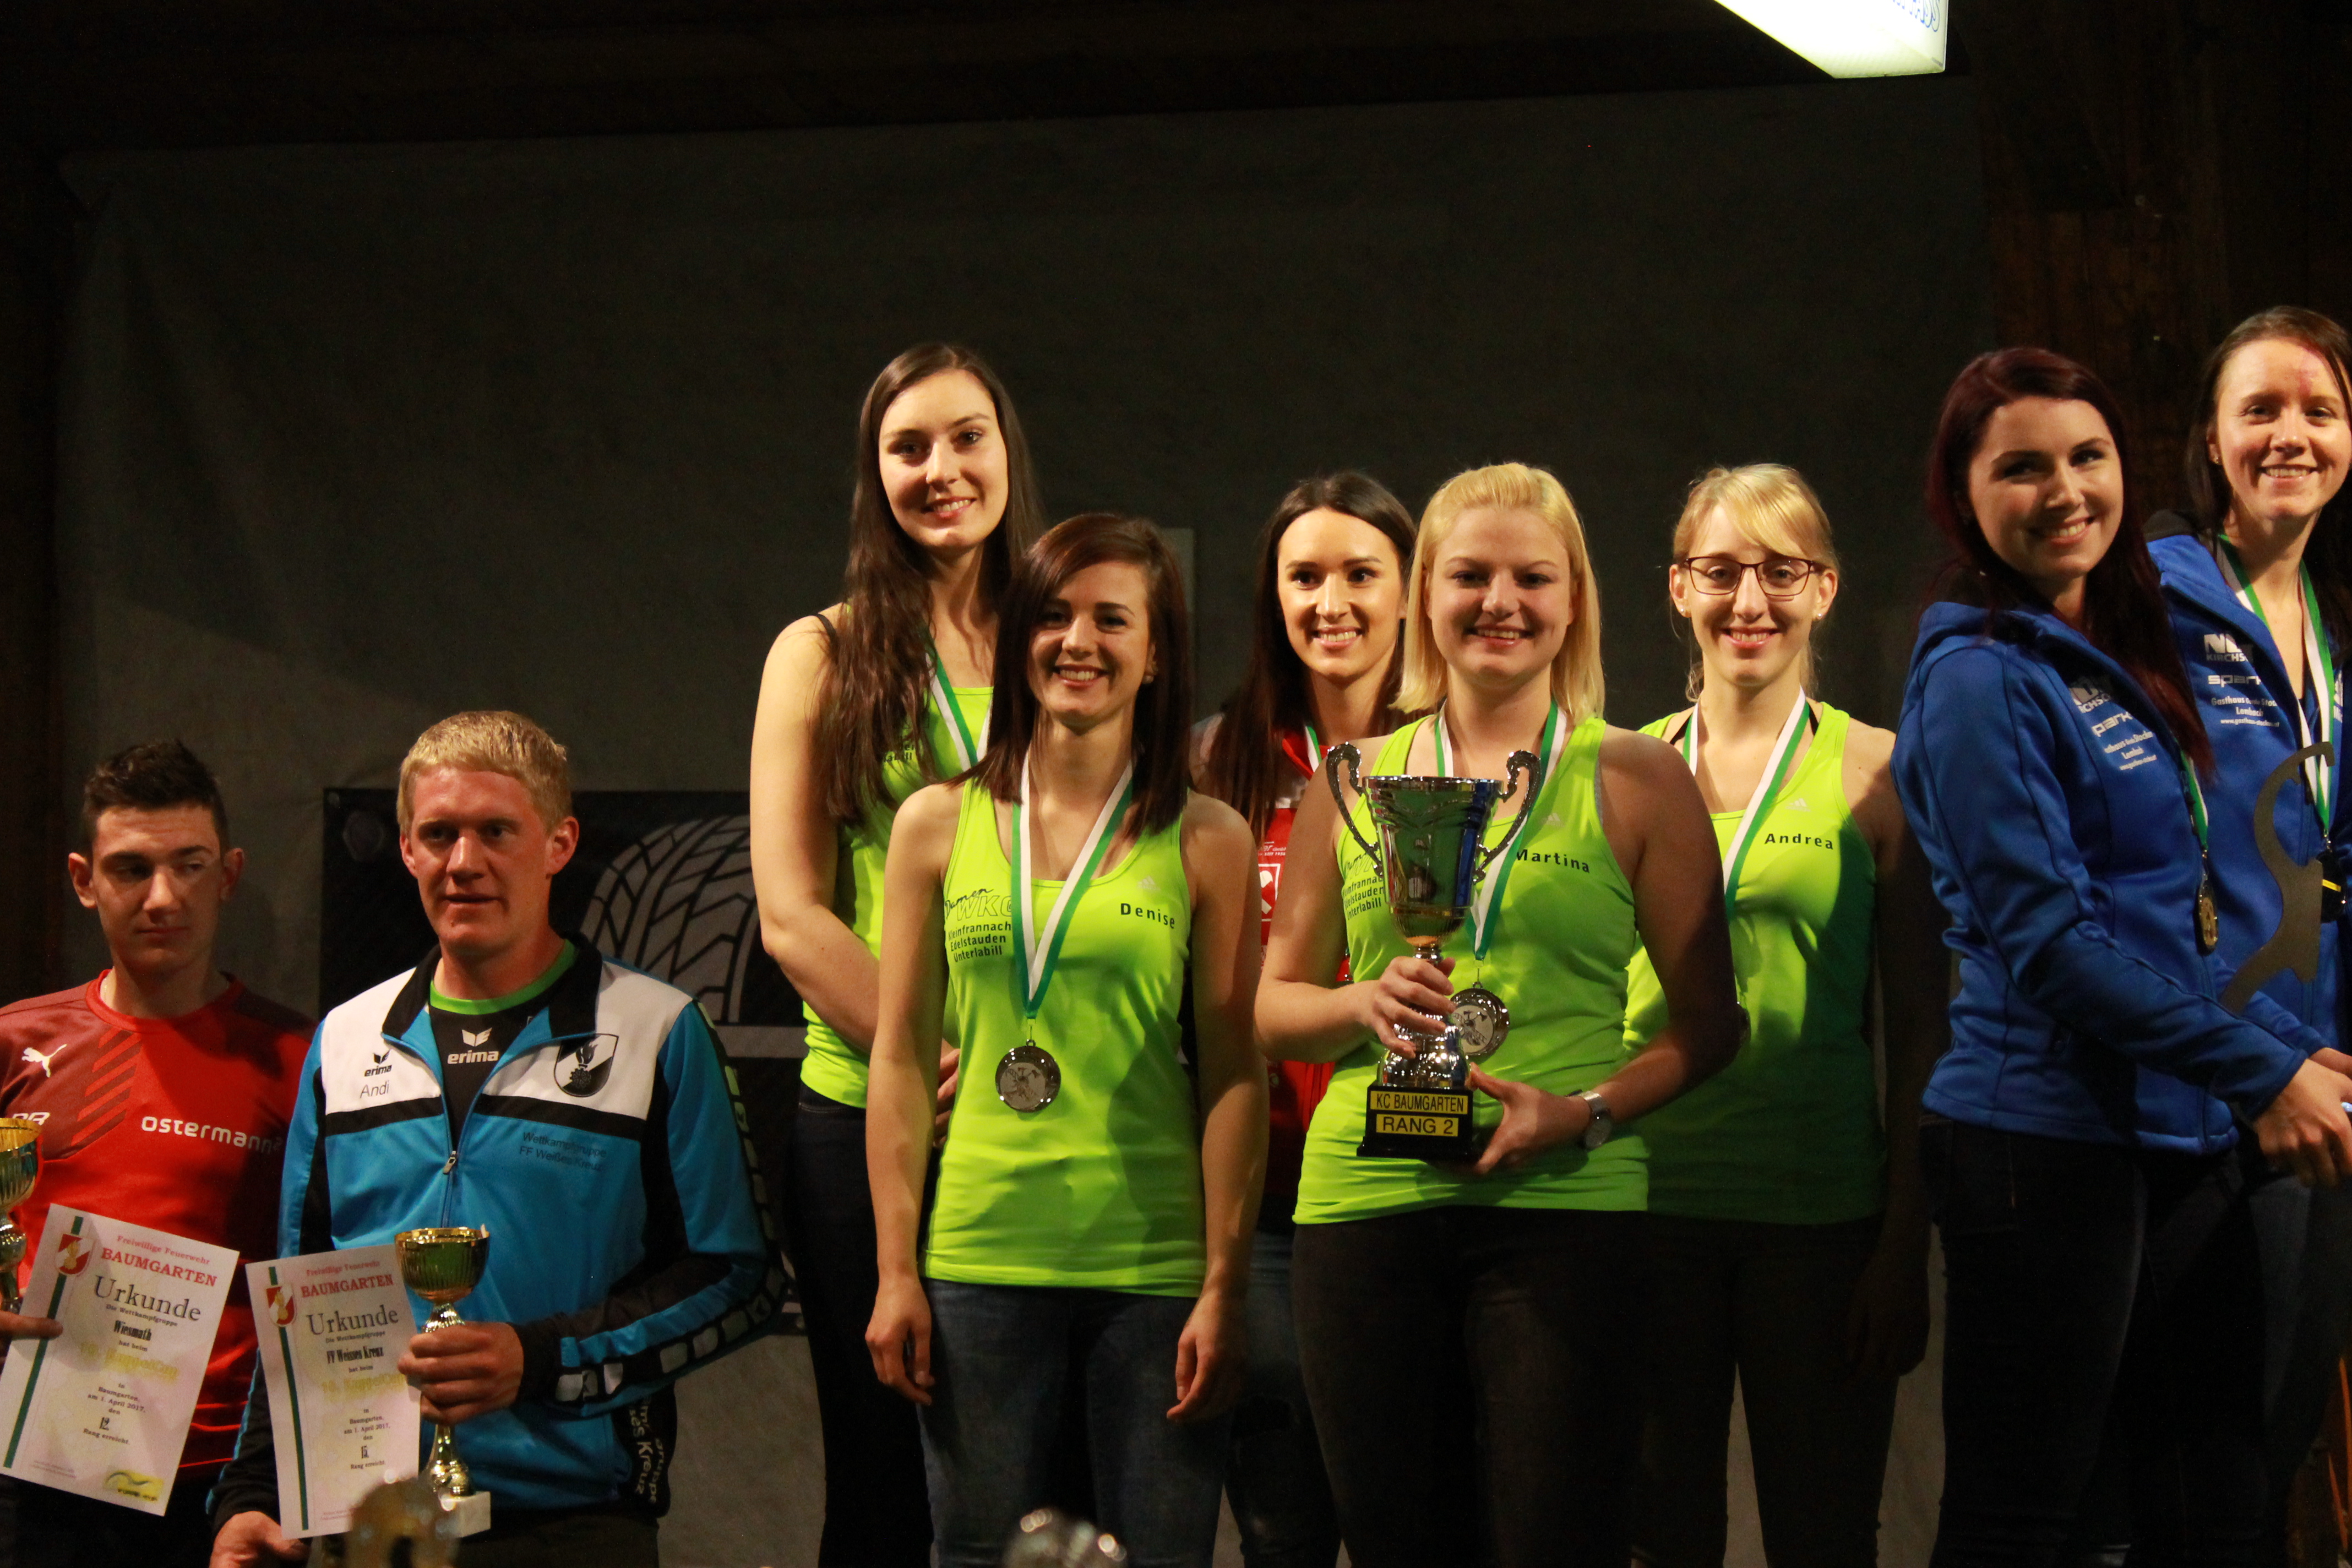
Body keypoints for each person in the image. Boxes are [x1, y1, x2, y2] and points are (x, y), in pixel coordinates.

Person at [1895, 346, 2352, 1566]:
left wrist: (2276, 1051)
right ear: (1963, 493)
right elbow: (2055, 946)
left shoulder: (2118, 647)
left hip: (2176, 1134)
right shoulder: (1979, 676)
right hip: (2043, 1142)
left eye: (2087, 458)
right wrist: (2263, 1070)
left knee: (2210, 1505)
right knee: (2030, 1521)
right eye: (2022, 468)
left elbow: (2182, 915)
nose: (2065, 492)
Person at [1255, 461, 1744, 1568]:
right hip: (1365, 1208)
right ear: (1427, 593)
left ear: (1575, 601)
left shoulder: (1638, 777)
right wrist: (1360, 999)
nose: (1501, 603)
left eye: (1533, 578)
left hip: (1566, 1211)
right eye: (1471, 576)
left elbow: (1710, 1027)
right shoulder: (1354, 779)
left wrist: (1584, 1114)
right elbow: (1275, 1008)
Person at [210, 711, 781, 1567]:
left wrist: (543, 1358)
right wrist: (257, 1490)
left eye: (496, 832)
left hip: (575, 1522)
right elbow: (300, 1291)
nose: (464, 861)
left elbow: (738, 1279)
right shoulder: (346, 1040)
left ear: (559, 844)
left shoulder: (657, 1031)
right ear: (408, 850)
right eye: (439, 834)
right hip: (374, 1520)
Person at [863, 514, 1265, 1568]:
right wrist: (896, 1271)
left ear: (1158, 652)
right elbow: (899, 1056)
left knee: (1159, 1558)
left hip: (1154, 1268)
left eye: (1111, 619)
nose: (1077, 641)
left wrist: (1224, 1285)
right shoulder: (936, 823)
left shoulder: (1209, 838)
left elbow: (1234, 1077)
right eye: (1052, 616)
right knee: (975, 1555)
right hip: (978, 1259)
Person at [749, 342, 1043, 1568]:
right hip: (873, 1110)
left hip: (1048, 1116)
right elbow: (791, 913)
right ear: (875, 475)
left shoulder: (1061, 640)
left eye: (967, 437)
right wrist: (926, 1055)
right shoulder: (820, 651)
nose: (942, 469)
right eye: (908, 447)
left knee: (1034, 1485)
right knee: (884, 1481)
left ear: (1008, 452)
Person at [1627, 465, 1942, 1568]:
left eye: (1781, 571)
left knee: (1824, 1537)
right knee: (1660, 1540)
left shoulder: (1879, 773)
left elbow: (1922, 1029)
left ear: (1826, 588)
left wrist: (1903, 1244)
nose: (1749, 600)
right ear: (1679, 587)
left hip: (1819, 1219)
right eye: (1721, 571)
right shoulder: (1620, 770)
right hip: (1647, 1211)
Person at [2141, 307, 2352, 1561]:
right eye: (2260, 409)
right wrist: (2257, 1064)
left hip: (2327, 1089)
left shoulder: (2335, 623)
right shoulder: (2153, 603)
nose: (2292, 435)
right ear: (2212, 440)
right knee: (2200, 1480)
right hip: (2210, 1096)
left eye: (2320, 410)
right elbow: (2143, 872)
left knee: (2277, 1451)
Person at [0, 742, 311, 1568]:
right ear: (83, 879)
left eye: (189, 866)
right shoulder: (14, 1043)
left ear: (229, 874)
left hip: (220, 1489)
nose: (163, 897)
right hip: (36, 1465)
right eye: (131, 869)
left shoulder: (303, 1058)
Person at [1193, 471, 1418, 1568]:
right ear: (1271, 596)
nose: (1332, 602)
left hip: (1413, 1187)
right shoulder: (1212, 762)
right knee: (1283, 1532)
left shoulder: (1459, 758)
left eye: (1361, 574)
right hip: (1266, 1206)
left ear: (1412, 591)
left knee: (1414, 1523)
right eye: (1305, 577)